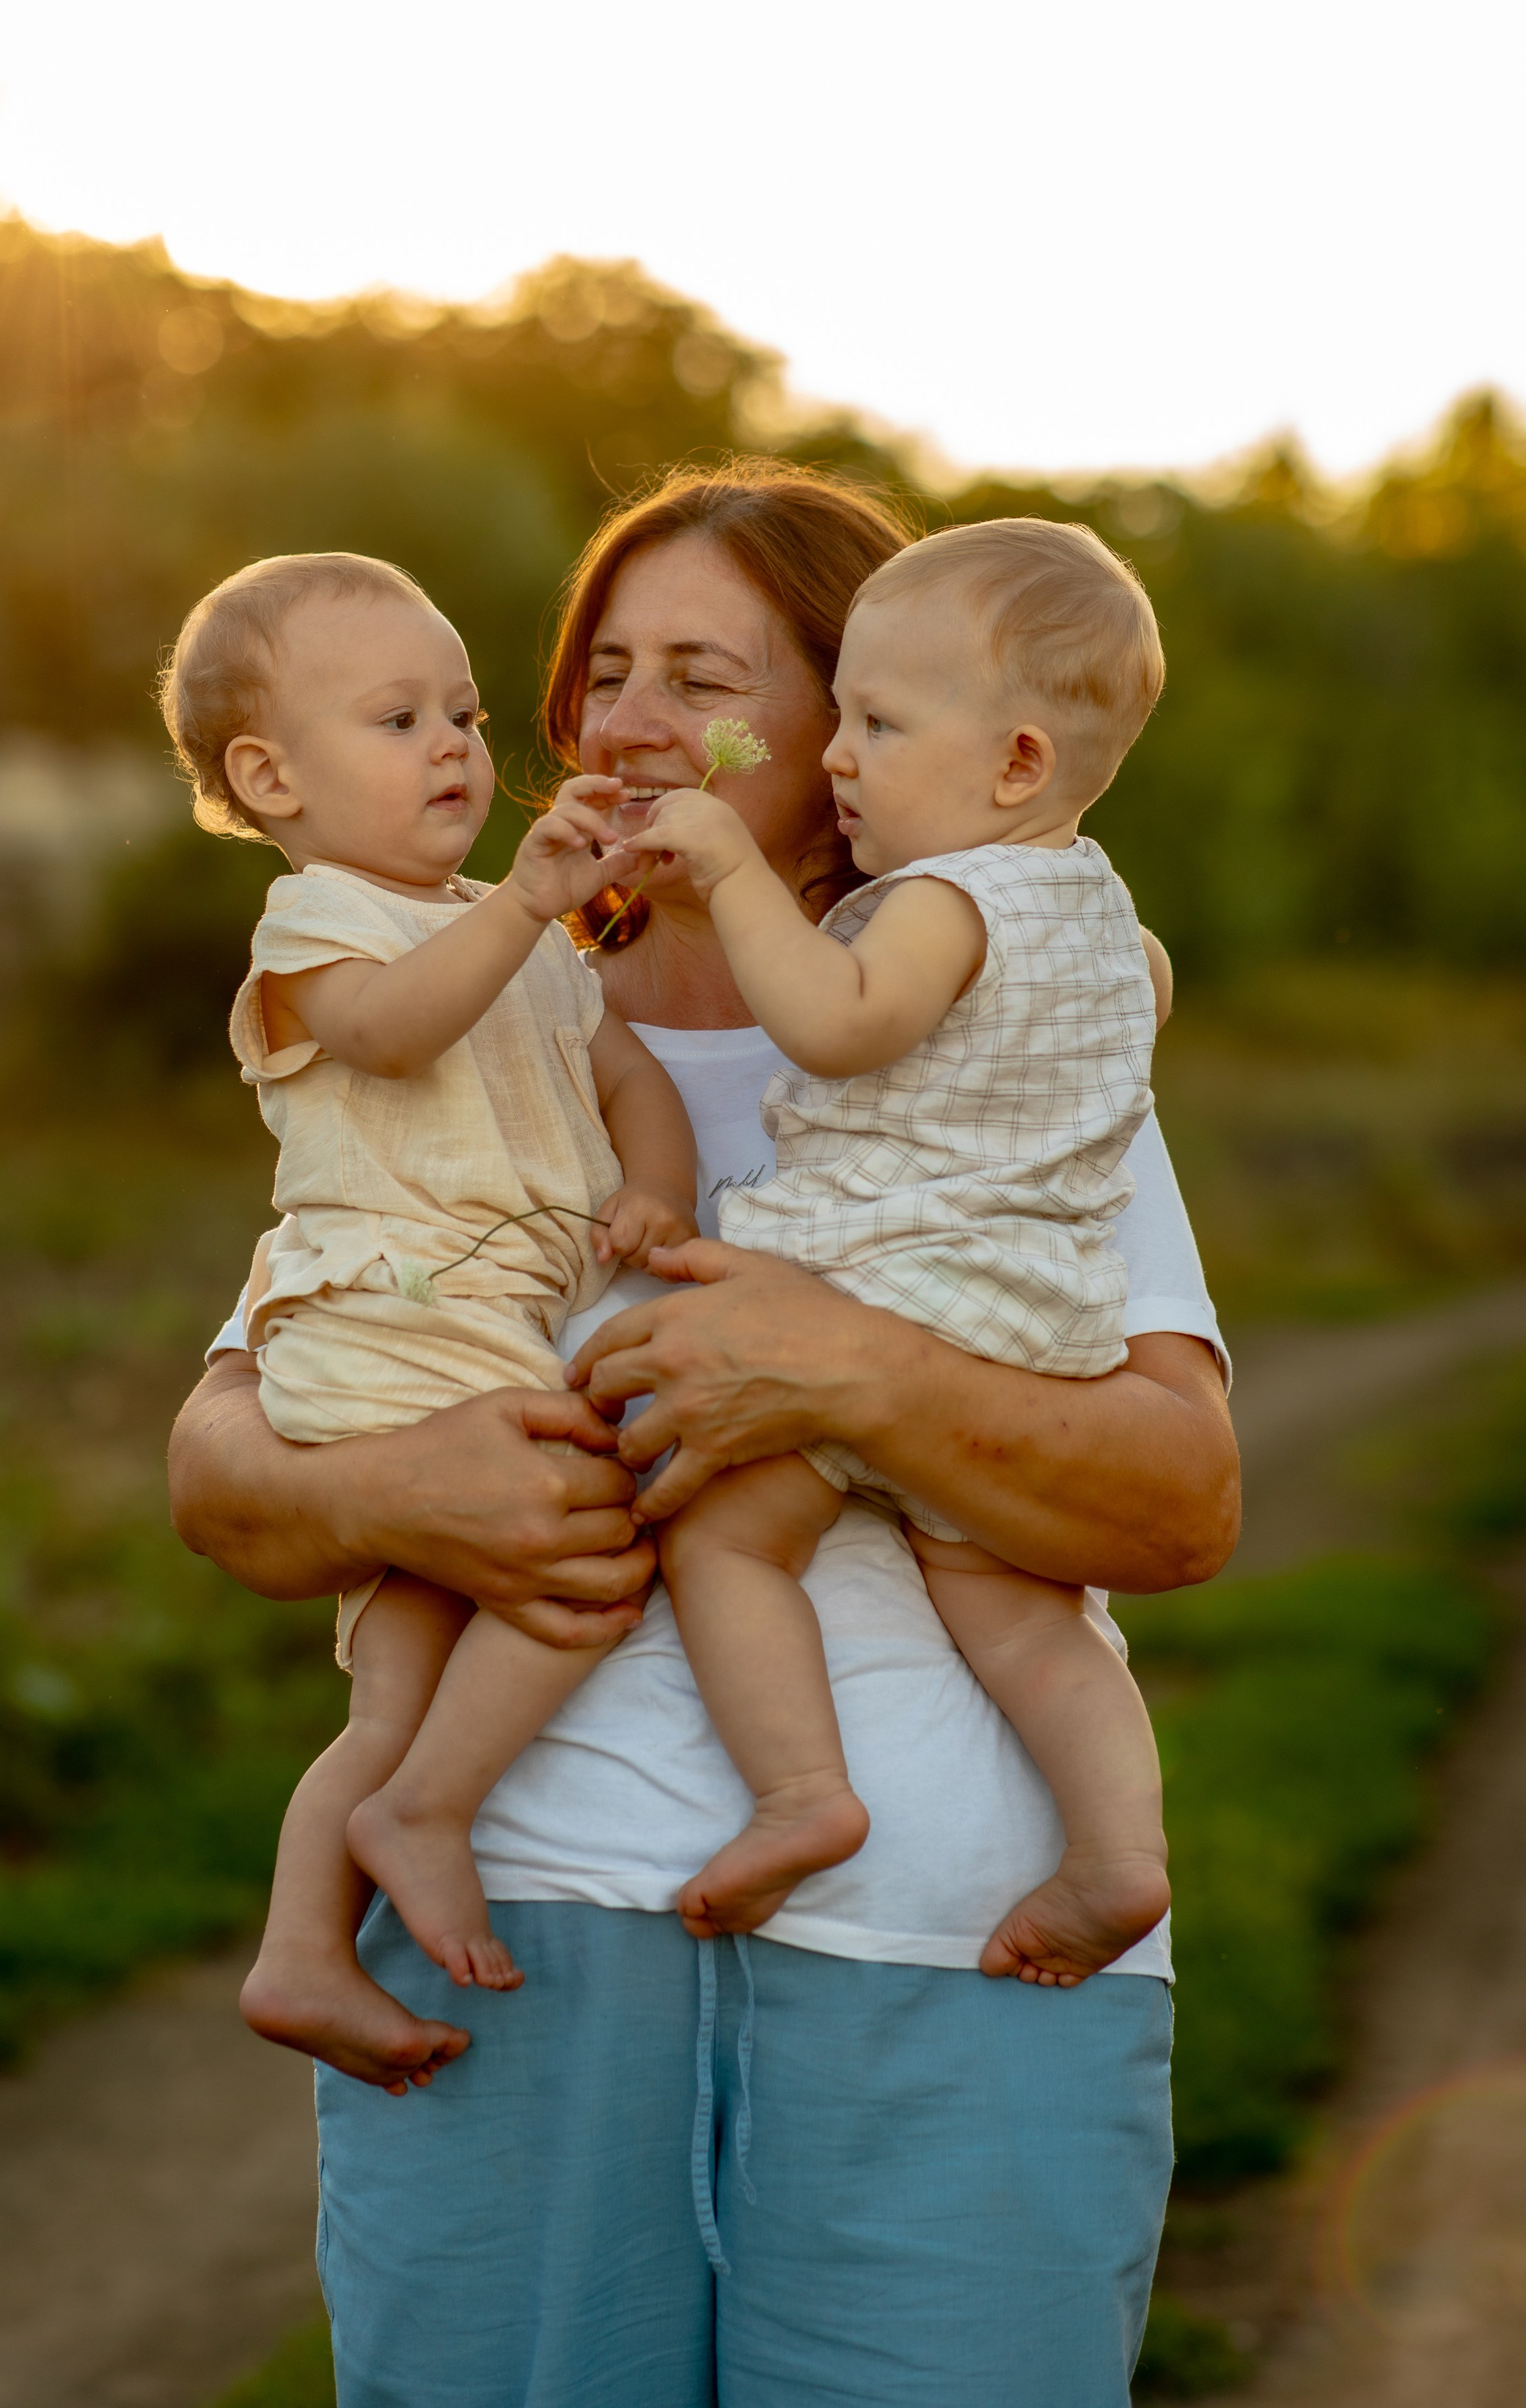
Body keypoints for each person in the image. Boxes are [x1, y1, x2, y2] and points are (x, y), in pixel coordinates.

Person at [169, 460, 1239, 2407]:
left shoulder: (1012, 1043)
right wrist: (401, 1490)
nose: (634, 722)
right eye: (606, 673)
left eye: (708, 679)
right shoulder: (467, 1022)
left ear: (847, 731)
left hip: (948, 1951)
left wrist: (848, 1374)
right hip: (520, 1954)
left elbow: (1182, 1503)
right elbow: (227, 1472)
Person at [155, 549, 699, 2071]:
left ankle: (302, 1953)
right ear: (270, 778)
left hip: (476, 1322)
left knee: (395, 1689)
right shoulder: (319, 923)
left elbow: (623, 1074)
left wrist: (654, 1191)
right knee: (594, 1541)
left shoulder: (512, 931)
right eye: (398, 721)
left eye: (462, 714)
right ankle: (429, 1814)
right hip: (396, 1317)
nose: (454, 747)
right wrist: (527, 904)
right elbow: (393, 1035)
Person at [633, 518, 1172, 1982]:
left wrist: (729, 870)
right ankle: (1118, 1854)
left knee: (724, 1534)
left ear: (1016, 764)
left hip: (890, 1286)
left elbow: (838, 1022)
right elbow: (1121, 1036)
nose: (840, 757)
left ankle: (803, 1792)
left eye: (876, 723)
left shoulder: (943, 899)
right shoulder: (1110, 917)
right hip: (1037, 1320)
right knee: (1023, 1616)